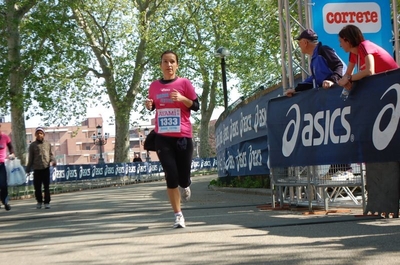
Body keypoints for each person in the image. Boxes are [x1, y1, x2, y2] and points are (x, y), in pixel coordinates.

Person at [336, 24, 400, 216]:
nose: (340, 45)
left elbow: (370, 71)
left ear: (348, 40)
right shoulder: (353, 54)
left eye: (341, 42)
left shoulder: (364, 46)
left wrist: (349, 80)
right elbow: (348, 74)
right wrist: (341, 82)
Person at [145, 50, 199, 228]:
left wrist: (183, 98)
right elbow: (153, 105)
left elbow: (196, 106)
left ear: (177, 65)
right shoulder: (154, 86)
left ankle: (186, 184)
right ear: (160, 65)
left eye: (172, 62)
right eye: (165, 62)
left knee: (183, 178)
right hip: (163, 137)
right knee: (171, 176)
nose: (168, 65)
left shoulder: (184, 83)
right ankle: (178, 215)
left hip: (183, 136)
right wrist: (149, 105)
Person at [285, 28, 346, 97]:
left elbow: (340, 66)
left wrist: (332, 80)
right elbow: (312, 81)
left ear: (305, 42)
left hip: (340, 91)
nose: (299, 46)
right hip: (329, 95)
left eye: (300, 43)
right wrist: (295, 90)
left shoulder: (323, 50)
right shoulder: (314, 60)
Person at [26, 127, 56, 209]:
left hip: (46, 168)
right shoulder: (32, 145)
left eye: (41, 133)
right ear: (35, 135)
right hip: (37, 169)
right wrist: (28, 169)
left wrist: (53, 161)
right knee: (37, 187)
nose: (39, 135)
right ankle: (39, 201)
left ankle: (47, 202)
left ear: (44, 134)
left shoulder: (47, 144)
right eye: (38, 133)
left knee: (46, 186)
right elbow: (30, 158)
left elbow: (51, 155)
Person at [0, 125, 15, 211]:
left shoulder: (5, 137)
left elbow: (10, 147)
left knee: (3, 184)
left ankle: (5, 202)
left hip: (2, 164)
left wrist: (12, 153)